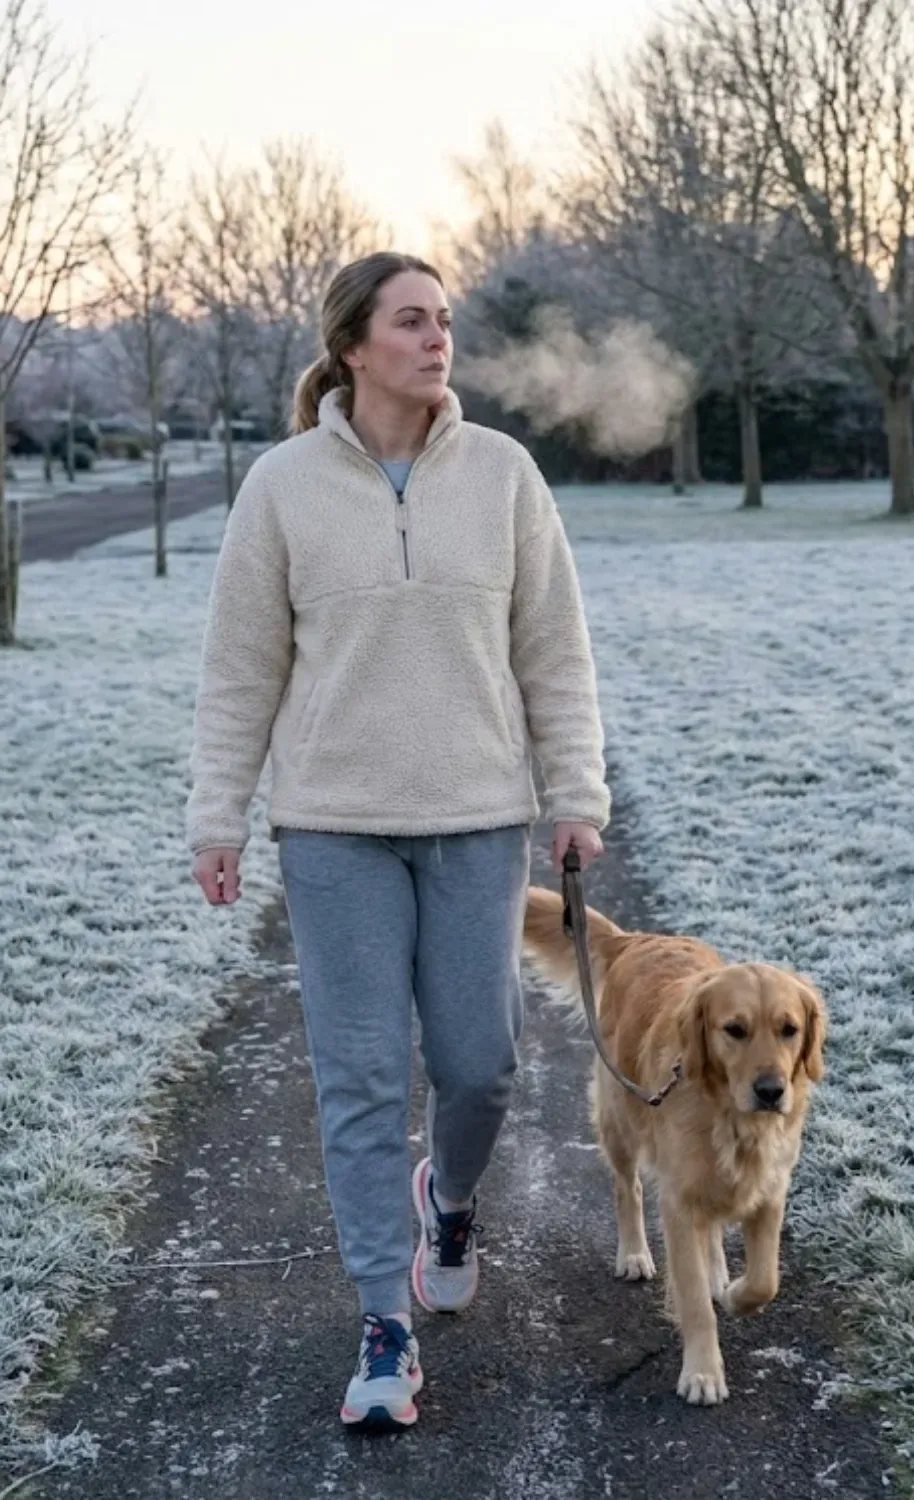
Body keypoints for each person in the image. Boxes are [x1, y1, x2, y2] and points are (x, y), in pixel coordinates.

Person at [186, 251, 610, 1432]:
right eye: (412, 323)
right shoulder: (279, 487)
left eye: (446, 323)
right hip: (333, 830)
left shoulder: (506, 477)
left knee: (482, 1064)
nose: (438, 342)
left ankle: (451, 1199)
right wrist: (218, 816)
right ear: (354, 345)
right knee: (360, 1079)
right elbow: (239, 672)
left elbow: (553, 654)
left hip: (479, 819)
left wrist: (576, 795)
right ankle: (384, 1320)